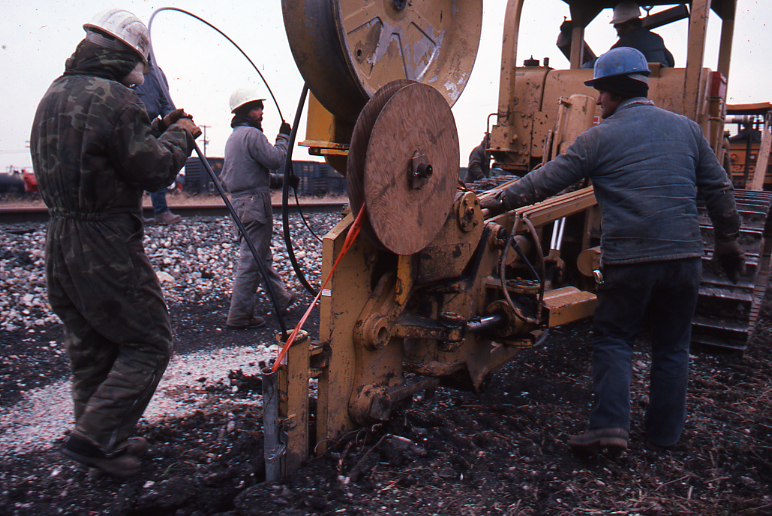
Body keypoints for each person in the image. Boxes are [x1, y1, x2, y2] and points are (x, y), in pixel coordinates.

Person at [482, 47, 745, 455]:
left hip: (630, 261)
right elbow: (718, 187)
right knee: (673, 346)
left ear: (613, 92)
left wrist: (494, 203)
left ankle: (609, 428)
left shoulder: (598, 138)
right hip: (684, 260)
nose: (599, 102)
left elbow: (545, 182)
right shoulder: (688, 130)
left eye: (601, 94)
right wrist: (728, 239)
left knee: (614, 338)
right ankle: (664, 434)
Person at [29, 9, 202, 477]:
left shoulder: (55, 93)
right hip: (104, 241)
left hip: (60, 237)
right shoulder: (119, 101)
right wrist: (181, 135)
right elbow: (153, 170)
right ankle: (94, 436)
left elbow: (102, 149)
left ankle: (103, 442)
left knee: (91, 344)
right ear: (128, 56)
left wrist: (157, 128)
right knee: (150, 342)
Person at [220, 87, 297, 329]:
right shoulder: (252, 136)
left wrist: (282, 182)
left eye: (261, 107)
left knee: (260, 257)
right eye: (256, 108)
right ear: (244, 111)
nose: (261, 112)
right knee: (251, 261)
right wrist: (284, 137)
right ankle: (239, 316)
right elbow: (276, 161)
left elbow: (247, 176)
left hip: (241, 205)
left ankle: (281, 298)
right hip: (255, 206)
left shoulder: (234, 137)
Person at [135, 62, 183, 225]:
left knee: (157, 164)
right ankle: (135, 213)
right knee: (132, 169)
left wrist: (173, 120)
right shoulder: (129, 67)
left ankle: (161, 211)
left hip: (153, 126)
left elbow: (164, 100)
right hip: (133, 124)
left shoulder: (157, 72)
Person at [609, 0, 675, 68]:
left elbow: (607, 60)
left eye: (617, 26)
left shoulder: (625, 42)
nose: (618, 31)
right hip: (664, 76)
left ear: (629, 25)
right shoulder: (656, 38)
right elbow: (670, 61)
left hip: (643, 77)